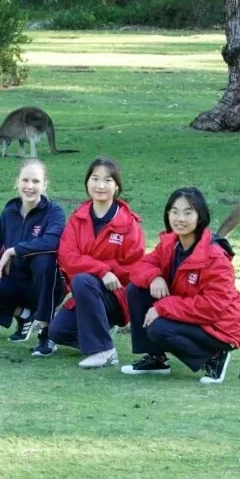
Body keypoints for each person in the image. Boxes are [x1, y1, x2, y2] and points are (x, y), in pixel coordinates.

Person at [121, 187, 240, 384]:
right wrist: (155, 277)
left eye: (188, 213)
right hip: (191, 313)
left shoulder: (214, 256)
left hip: (220, 327)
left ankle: (214, 358)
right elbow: (141, 266)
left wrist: (162, 308)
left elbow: (213, 307)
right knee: (136, 290)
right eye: (175, 211)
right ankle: (156, 360)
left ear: (200, 216)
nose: (180, 218)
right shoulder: (170, 243)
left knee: (158, 328)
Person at [0, 159, 66, 356]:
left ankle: (46, 333)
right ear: (17, 182)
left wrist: (14, 250)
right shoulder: (9, 212)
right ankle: (24, 315)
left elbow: (52, 243)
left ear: (45, 185)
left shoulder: (54, 212)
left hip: (46, 284)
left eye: (36, 181)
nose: (30, 186)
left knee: (44, 259)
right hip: (14, 281)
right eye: (25, 180)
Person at [46, 156, 145, 368]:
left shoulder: (129, 223)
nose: (101, 186)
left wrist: (105, 275)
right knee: (57, 331)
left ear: (116, 186)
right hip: (85, 293)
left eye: (108, 180)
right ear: (87, 183)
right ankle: (100, 334)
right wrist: (101, 270)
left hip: (116, 296)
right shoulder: (77, 218)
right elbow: (67, 256)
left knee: (82, 280)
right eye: (95, 178)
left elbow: (134, 265)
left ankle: (103, 350)